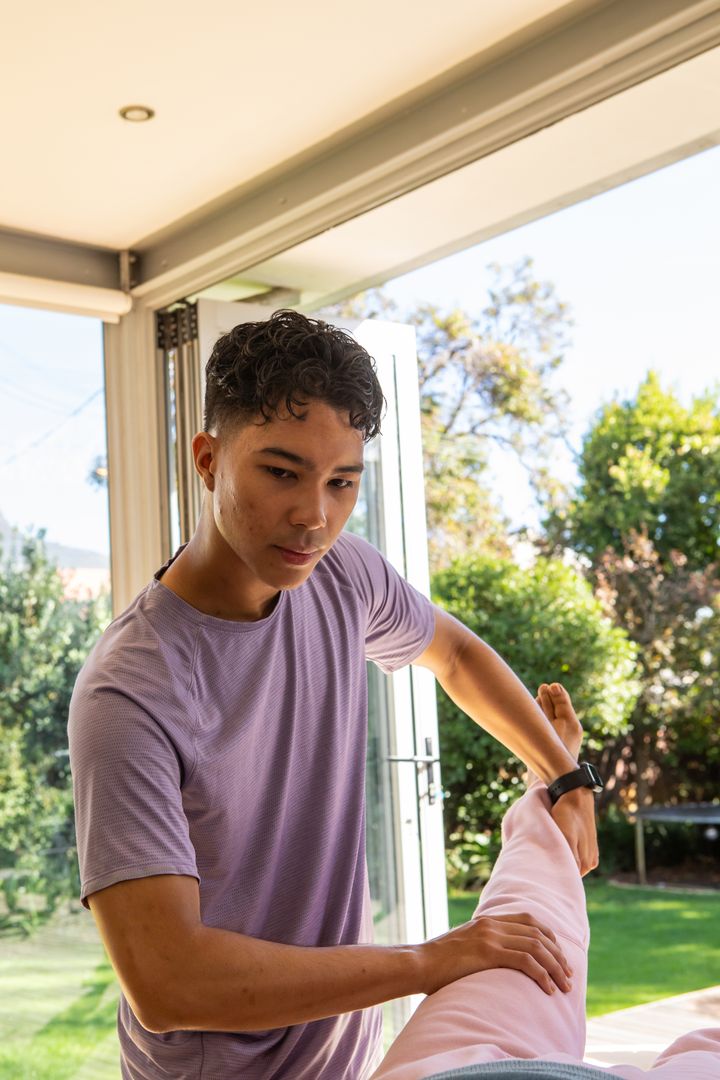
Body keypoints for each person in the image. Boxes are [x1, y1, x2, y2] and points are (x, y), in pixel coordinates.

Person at [68, 309, 598, 1080]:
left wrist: (564, 775)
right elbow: (169, 981)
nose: (315, 516)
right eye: (281, 473)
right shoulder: (129, 692)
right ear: (208, 459)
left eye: (342, 482)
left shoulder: (343, 576)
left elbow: (455, 654)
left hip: (349, 1058)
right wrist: (430, 960)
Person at [370, 683, 720, 1080]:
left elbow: (456, 653)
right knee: (529, 919)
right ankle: (546, 786)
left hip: (445, 1070)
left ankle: (547, 785)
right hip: (451, 1070)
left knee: (523, 929)